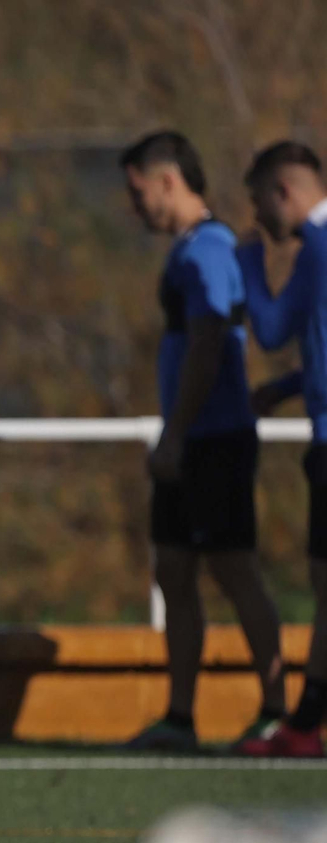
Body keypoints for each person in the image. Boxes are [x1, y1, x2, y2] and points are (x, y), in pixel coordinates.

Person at [118, 131, 285, 753]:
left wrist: (177, 432)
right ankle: (181, 717)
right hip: (190, 439)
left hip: (213, 439)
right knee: (174, 569)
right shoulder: (190, 249)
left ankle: (276, 709)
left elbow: (210, 341)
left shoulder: (207, 250)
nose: (135, 208)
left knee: (235, 569)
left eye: (138, 193)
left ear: (167, 181)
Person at [235, 140, 327, 758]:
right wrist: (292, 386)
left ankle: (303, 726)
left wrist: (247, 263)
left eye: (259, 205)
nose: (261, 221)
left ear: (283, 192)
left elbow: (269, 329)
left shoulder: (316, 249)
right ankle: (304, 724)